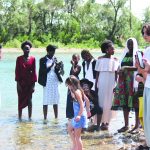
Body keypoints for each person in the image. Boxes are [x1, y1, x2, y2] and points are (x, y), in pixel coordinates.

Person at [112, 38, 139, 133]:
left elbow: (138, 67)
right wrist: (119, 71)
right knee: (125, 103)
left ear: (135, 45)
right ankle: (126, 125)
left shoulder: (137, 54)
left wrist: (126, 68)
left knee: (135, 103)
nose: (129, 46)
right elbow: (120, 67)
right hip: (123, 82)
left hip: (133, 82)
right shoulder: (125, 54)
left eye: (131, 44)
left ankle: (136, 125)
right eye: (128, 44)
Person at [95, 40, 119, 130]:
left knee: (109, 102)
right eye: (112, 48)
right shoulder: (100, 59)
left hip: (111, 84)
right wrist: (96, 85)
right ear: (106, 49)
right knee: (101, 102)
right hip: (102, 82)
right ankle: (100, 122)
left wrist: (116, 85)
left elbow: (117, 74)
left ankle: (107, 122)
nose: (114, 50)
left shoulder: (116, 60)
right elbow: (97, 74)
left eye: (114, 48)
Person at [38, 44, 64, 123]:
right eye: (52, 51)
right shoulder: (42, 60)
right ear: (48, 51)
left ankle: (56, 118)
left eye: (54, 51)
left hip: (54, 81)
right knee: (46, 100)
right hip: (47, 82)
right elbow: (43, 71)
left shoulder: (55, 58)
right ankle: (45, 118)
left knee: (55, 100)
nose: (53, 53)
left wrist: (59, 67)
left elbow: (57, 71)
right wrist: (52, 65)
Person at [65, 75, 91, 150]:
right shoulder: (79, 90)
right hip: (77, 116)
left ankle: (79, 148)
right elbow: (87, 100)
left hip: (79, 116)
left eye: (68, 85)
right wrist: (88, 111)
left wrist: (79, 116)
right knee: (69, 128)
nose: (68, 87)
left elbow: (82, 105)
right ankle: (75, 146)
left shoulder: (77, 92)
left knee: (77, 136)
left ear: (72, 84)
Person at [135, 23, 150, 150]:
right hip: (147, 86)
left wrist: (141, 68)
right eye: (143, 33)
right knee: (147, 116)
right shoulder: (147, 50)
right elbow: (145, 71)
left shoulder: (148, 51)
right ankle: (147, 142)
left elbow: (146, 70)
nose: (144, 35)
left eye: (147, 33)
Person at [15, 41, 37, 120]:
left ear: (30, 49)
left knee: (29, 101)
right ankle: (20, 118)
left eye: (28, 49)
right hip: (21, 83)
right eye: (25, 49)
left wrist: (33, 85)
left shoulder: (33, 59)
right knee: (20, 101)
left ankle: (30, 118)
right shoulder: (19, 59)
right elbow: (17, 72)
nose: (27, 50)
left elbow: (34, 72)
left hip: (29, 83)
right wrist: (18, 85)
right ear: (23, 49)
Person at [66, 54, 81, 119]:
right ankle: (70, 116)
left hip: (75, 84)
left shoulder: (78, 66)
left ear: (78, 59)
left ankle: (76, 114)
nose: (74, 60)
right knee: (69, 99)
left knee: (75, 98)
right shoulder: (74, 66)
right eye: (73, 58)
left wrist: (73, 65)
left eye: (75, 58)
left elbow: (74, 73)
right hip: (70, 84)